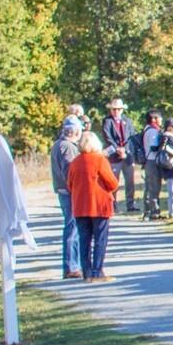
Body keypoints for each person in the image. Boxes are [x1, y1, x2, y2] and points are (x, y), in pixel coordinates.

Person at [67, 132, 120, 282]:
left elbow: (69, 184)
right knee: (100, 239)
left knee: (84, 240)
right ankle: (97, 271)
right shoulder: (100, 160)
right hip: (99, 205)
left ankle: (87, 272)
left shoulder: (75, 162)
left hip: (80, 206)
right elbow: (112, 183)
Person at [50, 118, 83, 279]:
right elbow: (71, 173)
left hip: (65, 191)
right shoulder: (68, 147)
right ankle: (71, 266)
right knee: (73, 229)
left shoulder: (59, 145)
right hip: (69, 192)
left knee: (73, 228)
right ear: (76, 132)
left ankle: (72, 265)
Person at [101, 99, 139, 213]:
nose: (116, 111)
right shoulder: (107, 121)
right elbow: (107, 137)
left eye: (118, 109)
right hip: (113, 155)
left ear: (122, 110)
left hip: (127, 156)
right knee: (113, 181)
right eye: (114, 109)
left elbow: (131, 136)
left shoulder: (127, 121)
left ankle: (130, 204)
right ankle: (113, 204)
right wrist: (117, 148)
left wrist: (124, 149)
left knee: (130, 181)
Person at [138, 111, 164, 220]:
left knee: (151, 186)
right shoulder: (152, 131)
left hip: (150, 161)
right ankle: (153, 211)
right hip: (152, 161)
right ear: (153, 119)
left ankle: (151, 210)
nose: (161, 120)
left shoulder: (149, 130)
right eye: (159, 118)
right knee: (153, 187)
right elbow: (154, 147)